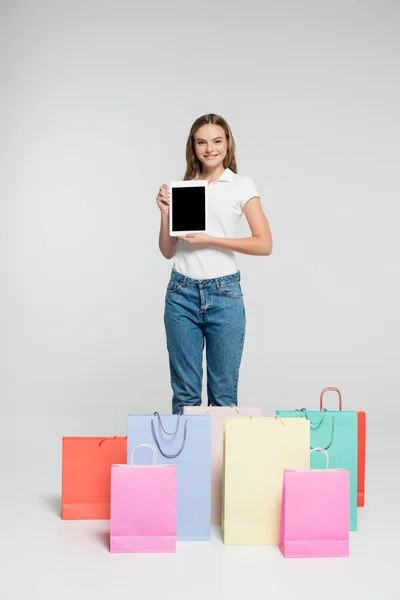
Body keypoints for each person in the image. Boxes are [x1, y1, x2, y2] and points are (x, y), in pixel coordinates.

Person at [156, 113, 272, 414]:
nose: (210, 149)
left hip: (224, 294)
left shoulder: (240, 185)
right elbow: (168, 251)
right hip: (181, 292)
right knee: (184, 395)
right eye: (202, 142)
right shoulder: (183, 188)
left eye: (217, 141)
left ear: (227, 144)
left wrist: (212, 239)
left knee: (223, 396)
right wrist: (165, 213)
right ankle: (188, 462)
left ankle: (220, 463)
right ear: (193, 147)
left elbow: (264, 243)